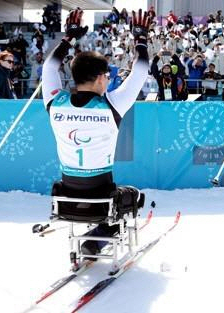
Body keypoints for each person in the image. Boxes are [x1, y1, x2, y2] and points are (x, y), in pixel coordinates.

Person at [42, 9, 150, 257]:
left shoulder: (55, 103)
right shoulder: (111, 105)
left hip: (66, 195)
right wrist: (141, 40)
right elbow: (141, 71)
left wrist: (68, 38)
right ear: (102, 78)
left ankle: (96, 238)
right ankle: (100, 237)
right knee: (135, 196)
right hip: (103, 197)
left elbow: (49, 69)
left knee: (112, 196)